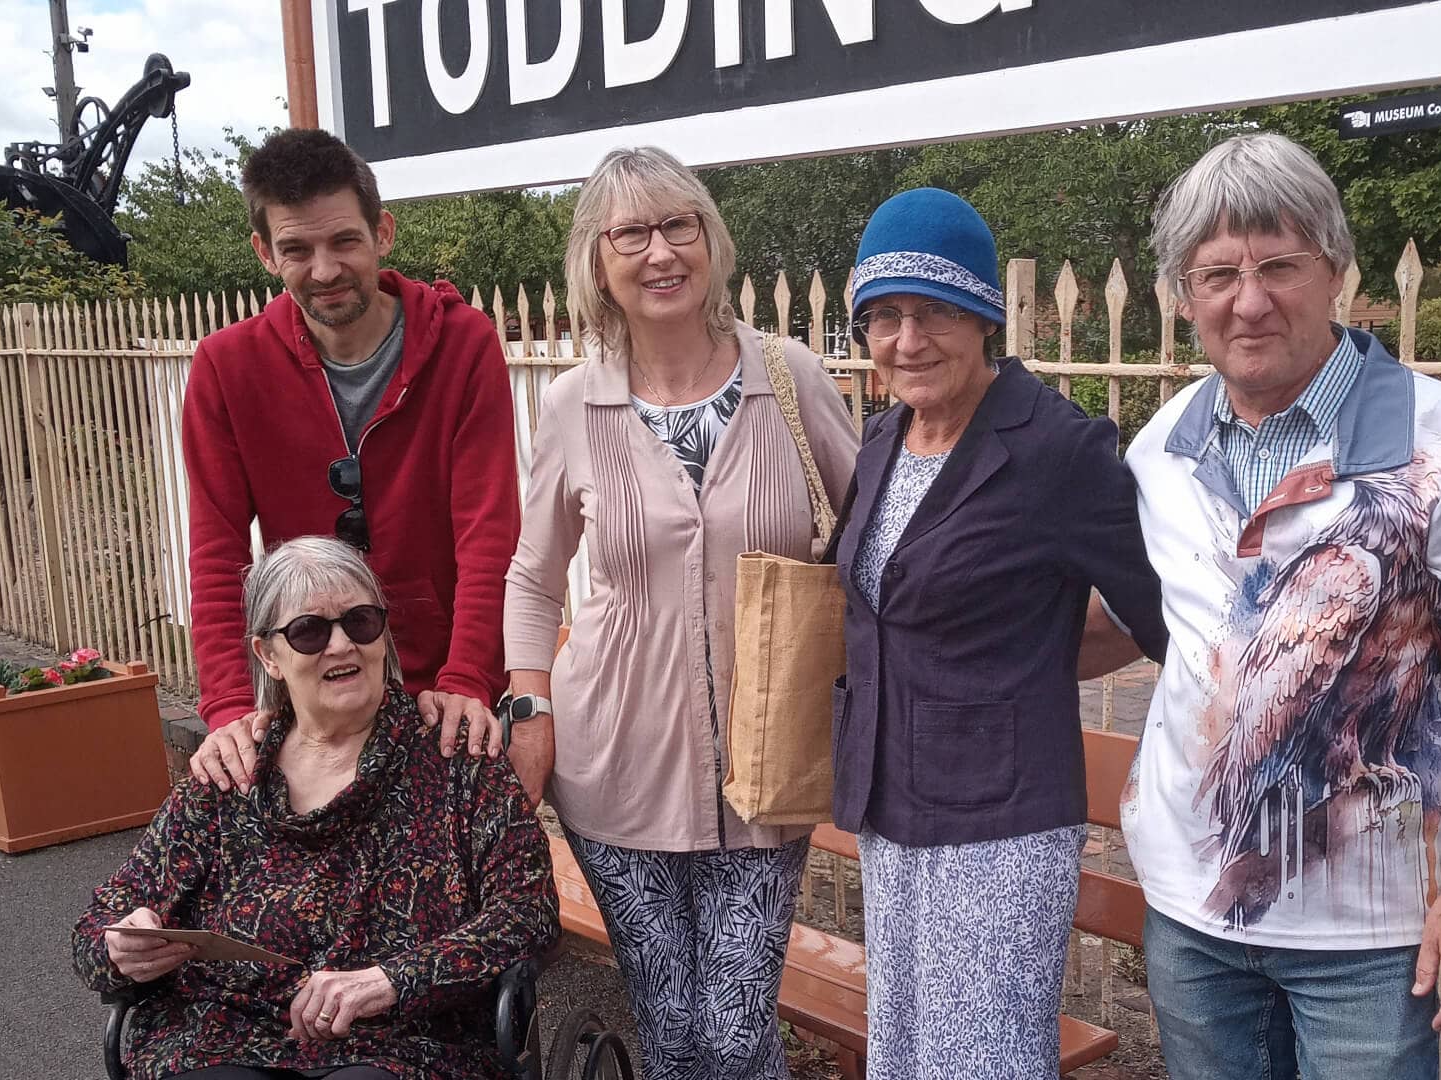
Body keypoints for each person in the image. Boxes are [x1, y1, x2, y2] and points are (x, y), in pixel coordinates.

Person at [1084, 132, 1441, 1080]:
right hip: (1190, 907)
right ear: (1184, 294)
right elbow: (1149, 622)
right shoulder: (1164, 443)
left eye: (1279, 266)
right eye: (1217, 274)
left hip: (1369, 935)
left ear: (1336, 269)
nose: (1248, 301)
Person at [499, 146, 859, 1080]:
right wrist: (530, 707)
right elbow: (534, 579)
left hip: (768, 764)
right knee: (670, 1028)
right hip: (612, 761)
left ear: (709, 239)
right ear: (598, 262)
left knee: (737, 1030)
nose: (659, 251)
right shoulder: (575, 404)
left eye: (678, 225)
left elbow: (873, 536)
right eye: (631, 233)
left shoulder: (789, 377)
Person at [828, 188, 1167, 1079]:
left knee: (980, 1063)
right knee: (901, 1054)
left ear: (983, 316)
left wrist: (1044, 659)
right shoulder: (883, 439)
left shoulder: (1057, 447)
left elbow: (1162, 610)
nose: (909, 340)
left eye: (936, 311)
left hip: (1000, 828)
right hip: (888, 809)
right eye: (886, 316)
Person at [73, 536, 559, 1080]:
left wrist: (391, 980)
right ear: (268, 655)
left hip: (404, 1043)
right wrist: (122, 947)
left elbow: (528, 914)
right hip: (222, 1035)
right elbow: (98, 927)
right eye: (309, 631)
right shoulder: (229, 774)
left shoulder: (456, 759)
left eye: (360, 621)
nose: (341, 645)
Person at [181, 128, 519, 793]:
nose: (325, 270)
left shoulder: (461, 344)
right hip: (311, 691)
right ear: (263, 253)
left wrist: (467, 677)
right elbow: (216, 551)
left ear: (383, 232)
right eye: (296, 249)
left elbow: (488, 530)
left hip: (438, 688)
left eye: (344, 241)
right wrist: (227, 707)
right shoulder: (227, 367)